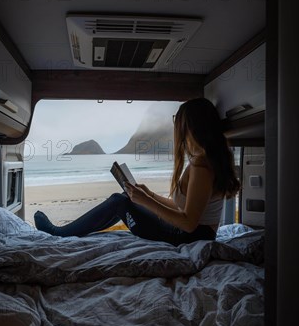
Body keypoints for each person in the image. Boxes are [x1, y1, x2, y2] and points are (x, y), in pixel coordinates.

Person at [34, 98, 240, 246]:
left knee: (119, 201)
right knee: (126, 198)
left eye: (177, 121)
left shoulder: (201, 167)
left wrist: (147, 202)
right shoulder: (204, 161)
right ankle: (66, 232)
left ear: (191, 127)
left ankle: (59, 233)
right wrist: (148, 195)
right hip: (192, 233)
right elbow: (182, 207)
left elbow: (188, 223)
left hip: (188, 237)